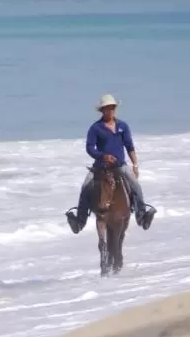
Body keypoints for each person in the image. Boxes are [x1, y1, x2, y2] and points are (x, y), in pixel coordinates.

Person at [66, 94, 155, 233]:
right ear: (102, 111)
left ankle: (141, 216)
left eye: (113, 108)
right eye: (107, 108)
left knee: (135, 185)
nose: (111, 111)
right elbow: (90, 148)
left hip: (120, 165)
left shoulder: (123, 126)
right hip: (101, 166)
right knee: (85, 187)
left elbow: (129, 146)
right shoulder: (95, 128)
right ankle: (79, 221)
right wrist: (103, 156)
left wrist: (135, 165)